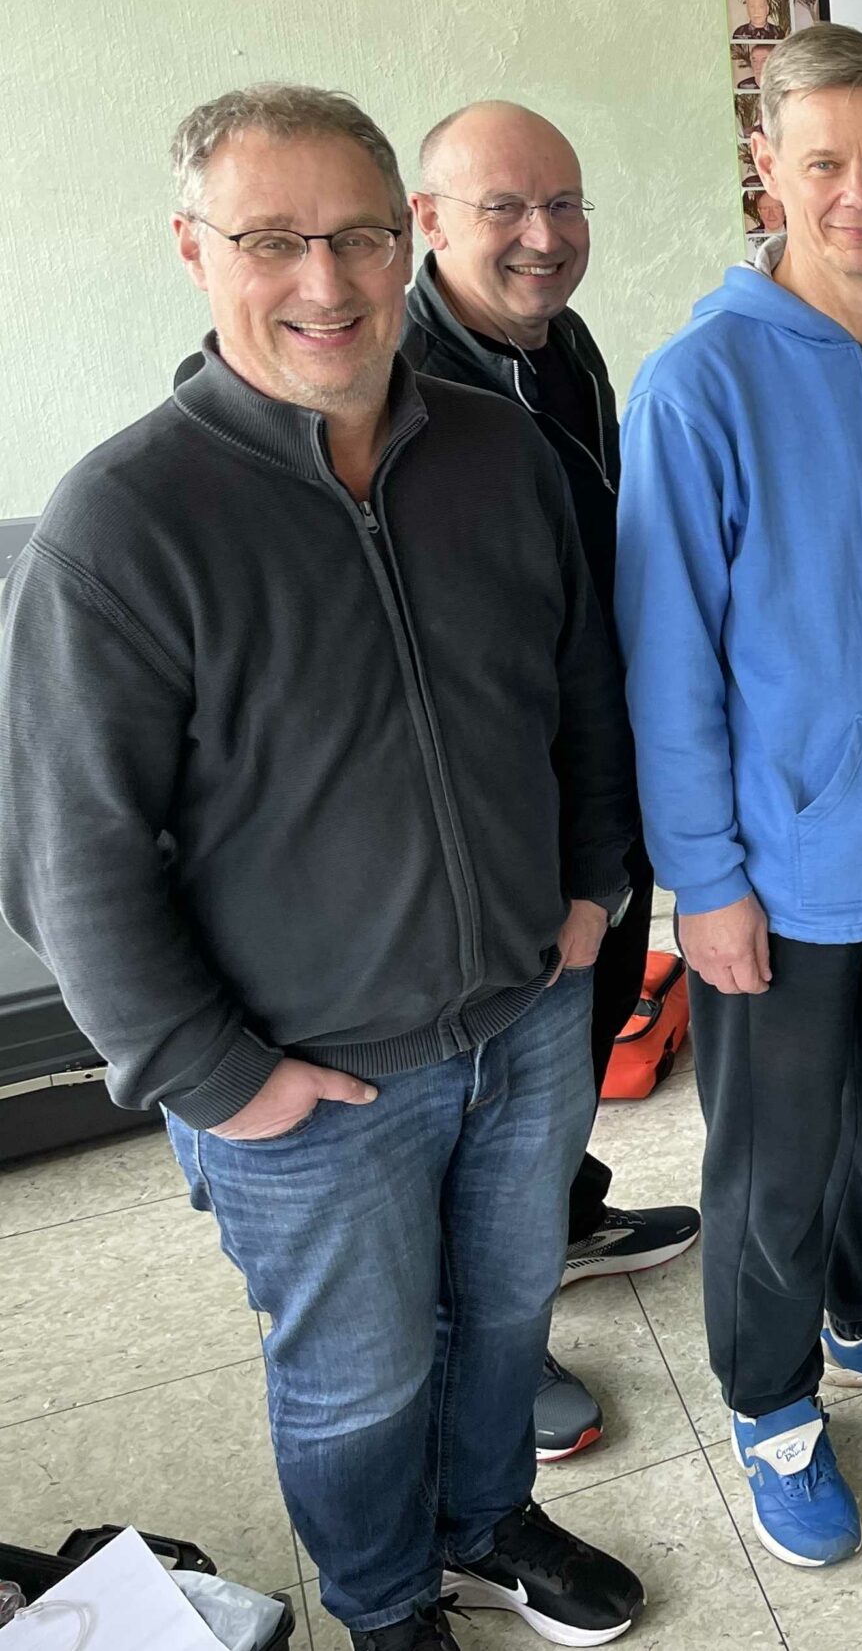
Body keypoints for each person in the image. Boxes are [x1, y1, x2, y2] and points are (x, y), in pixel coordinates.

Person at [0, 84, 644, 1651]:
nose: (326, 281)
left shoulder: (500, 451)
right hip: (312, 1080)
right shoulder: (122, 524)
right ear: (193, 250)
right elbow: (69, 861)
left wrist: (592, 890)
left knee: (505, 1314)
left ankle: (486, 1520)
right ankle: (382, 1603)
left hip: (526, 1017)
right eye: (271, 241)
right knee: (360, 1376)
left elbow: (579, 693)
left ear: (405, 241)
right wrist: (219, 1078)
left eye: (357, 236)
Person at [616, 23, 862, 1570]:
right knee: (773, 1168)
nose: (861, 193)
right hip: (781, 875)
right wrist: (704, 882)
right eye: (825, 162)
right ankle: (772, 1402)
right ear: (766, 168)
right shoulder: (699, 386)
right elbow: (668, 666)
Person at [404, 101, 704, 1469]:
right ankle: (484, 1346)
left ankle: (561, 1221)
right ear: (428, 223)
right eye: (505, 210)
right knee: (487, 1102)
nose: (544, 236)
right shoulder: (399, 382)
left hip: (592, 777)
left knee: (576, 1048)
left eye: (565, 204)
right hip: (485, 821)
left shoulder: (563, 346)